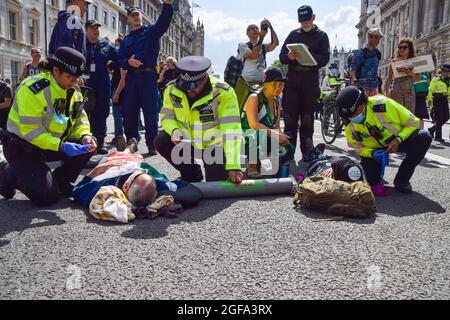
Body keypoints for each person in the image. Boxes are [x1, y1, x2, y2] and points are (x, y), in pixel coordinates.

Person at [0, 47, 97, 206]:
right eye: (70, 77)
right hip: (23, 147)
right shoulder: (32, 89)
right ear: (56, 70)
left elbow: (80, 119)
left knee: (88, 145)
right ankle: (7, 172)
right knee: (46, 198)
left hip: (51, 143)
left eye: (77, 77)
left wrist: (85, 136)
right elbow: (31, 132)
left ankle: (59, 182)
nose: (75, 81)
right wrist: (62, 146)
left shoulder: (74, 90)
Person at [155, 56, 243, 184]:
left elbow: (231, 130)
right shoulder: (171, 89)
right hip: (186, 144)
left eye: (194, 85)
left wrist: (233, 165)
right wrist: (174, 130)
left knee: (215, 187)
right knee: (161, 140)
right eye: (185, 85)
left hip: (214, 148)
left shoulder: (223, 92)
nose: (189, 90)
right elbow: (167, 116)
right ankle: (192, 174)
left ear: (205, 78)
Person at [336, 86, 432, 196]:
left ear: (363, 103)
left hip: (398, 140)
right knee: (371, 180)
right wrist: (372, 153)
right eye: (349, 116)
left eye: (354, 113)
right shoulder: (349, 121)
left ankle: (402, 180)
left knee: (424, 137)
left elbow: (414, 122)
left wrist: (398, 139)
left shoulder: (383, 104)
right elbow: (357, 147)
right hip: (375, 151)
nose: (352, 117)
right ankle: (375, 176)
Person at [73, 140, 202, 209]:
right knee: (134, 156)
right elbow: (194, 192)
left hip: (113, 163)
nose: (144, 172)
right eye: (142, 174)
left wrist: (97, 170)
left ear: (125, 187)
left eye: (140, 174)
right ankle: (130, 148)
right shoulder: (160, 184)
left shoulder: (101, 186)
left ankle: (128, 148)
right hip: (136, 162)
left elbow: (77, 190)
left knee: (122, 154)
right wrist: (162, 194)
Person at [118, 2, 174, 156]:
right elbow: (120, 58)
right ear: (129, 19)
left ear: (141, 17)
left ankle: (152, 144)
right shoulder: (126, 40)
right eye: (133, 15)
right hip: (131, 78)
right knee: (130, 111)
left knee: (150, 112)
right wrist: (128, 62)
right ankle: (132, 141)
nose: (136, 17)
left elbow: (163, 23)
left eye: (138, 15)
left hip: (148, 76)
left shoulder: (151, 31)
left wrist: (167, 5)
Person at [279, 5, 330, 162]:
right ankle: (288, 151)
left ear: (313, 18)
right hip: (293, 78)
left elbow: (325, 58)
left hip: (310, 79)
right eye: (302, 22)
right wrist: (289, 57)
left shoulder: (322, 36)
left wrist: (309, 54)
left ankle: (307, 151)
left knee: (307, 118)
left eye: (307, 20)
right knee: (290, 118)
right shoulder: (293, 34)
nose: (305, 24)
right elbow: (282, 57)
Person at [241, 67, 291, 178]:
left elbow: (277, 126)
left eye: (281, 84)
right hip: (246, 136)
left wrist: (282, 140)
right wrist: (276, 135)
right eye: (275, 84)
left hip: (265, 134)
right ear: (265, 84)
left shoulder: (277, 101)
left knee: (289, 145)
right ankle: (251, 166)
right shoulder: (254, 97)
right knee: (257, 135)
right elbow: (253, 125)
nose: (278, 87)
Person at [84, 19, 119, 155]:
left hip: (103, 84)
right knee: (86, 114)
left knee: (102, 113)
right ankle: (87, 142)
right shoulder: (81, 44)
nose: (96, 31)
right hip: (86, 84)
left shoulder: (105, 44)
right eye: (92, 28)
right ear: (86, 30)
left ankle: (100, 142)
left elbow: (118, 59)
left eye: (97, 28)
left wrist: (110, 66)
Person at [385, 38, 420, 114]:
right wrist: (387, 91)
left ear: (410, 49)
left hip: (409, 93)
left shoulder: (414, 61)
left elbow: (418, 79)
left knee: (409, 116)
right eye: (400, 47)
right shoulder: (394, 62)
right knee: (397, 115)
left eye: (404, 47)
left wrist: (411, 74)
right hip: (396, 92)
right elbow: (389, 77)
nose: (401, 49)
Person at [350, 28, 383, 96]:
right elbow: (353, 69)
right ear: (369, 37)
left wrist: (379, 85)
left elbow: (374, 70)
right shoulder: (360, 52)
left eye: (379, 39)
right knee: (362, 106)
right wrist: (354, 81)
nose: (377, 41)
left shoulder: (377, 53)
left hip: (374, 87)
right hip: (361, 86)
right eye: (375, 38)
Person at [427, 64, 450, 143]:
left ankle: (432, 129)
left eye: (448, 72)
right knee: (439, 119)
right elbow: (430, 90)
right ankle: (438, 137)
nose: (447, 73)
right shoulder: (436, 79)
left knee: (446, 117)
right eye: (445, 71)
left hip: (445, 99)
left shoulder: (448, 80)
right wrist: (429, 101)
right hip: (437, 99)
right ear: (442, 71)